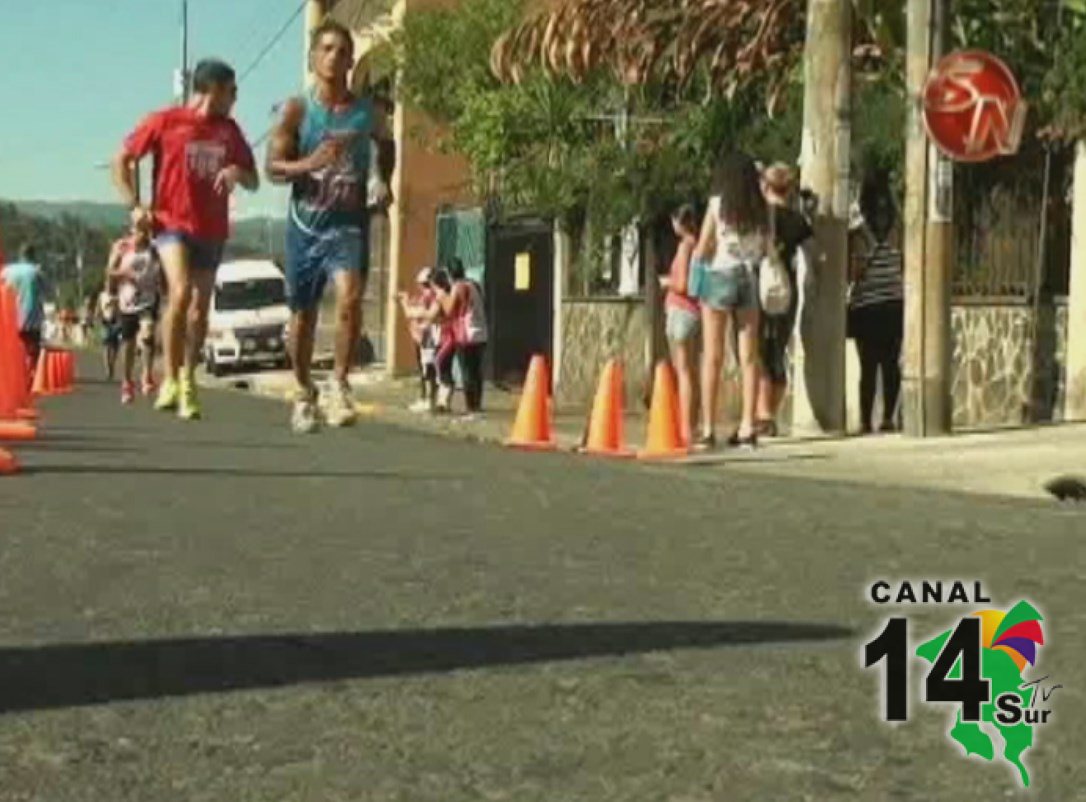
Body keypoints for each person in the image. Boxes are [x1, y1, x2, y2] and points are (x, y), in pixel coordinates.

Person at [113, 58, 259, 421]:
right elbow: (122, 159)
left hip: (211, 229)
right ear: (212, 90)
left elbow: (254, 179)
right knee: (179, 293)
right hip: (171, 223)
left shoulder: (230, 130)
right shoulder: (165, 121)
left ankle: (188, 378)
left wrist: (236, 171)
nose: (236, 97)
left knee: (200, 308)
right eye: (232, 90)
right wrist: (134, 206)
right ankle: (169, 378)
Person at [266, 19, 393, 434]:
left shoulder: (365, 111)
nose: (334, 57)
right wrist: (309, 163)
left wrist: (381, 178)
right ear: (313, 57)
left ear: (351, 60)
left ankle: (339, 384)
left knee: (350, 300)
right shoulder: (297, 110)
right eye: (327, 49)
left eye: (342, 50)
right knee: (301, 320)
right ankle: (304, 392)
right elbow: (273, 167)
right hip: (305, 226)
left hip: (347, 224)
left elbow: (384, 142)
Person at [691, 152, 768, 451]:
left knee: (713, 356)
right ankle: (748, 426)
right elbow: (764, 246)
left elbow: (702, 246)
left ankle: (708, 428)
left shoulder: (717, 204)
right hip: (748, 277)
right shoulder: (760, 207)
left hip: (719, 275)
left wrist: (697, 270)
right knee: (749, 357)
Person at [755, 163, 813, 436]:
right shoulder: (797, 220)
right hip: (786, 290)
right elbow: (815, 251)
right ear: (789, 189)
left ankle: (762, 414)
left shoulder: (757, 218)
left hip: (759, 289)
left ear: (766, 186)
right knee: (777, 351)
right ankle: (770, 414)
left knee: (757, 352)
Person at [848, 174, 904, 434]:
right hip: (894, 303)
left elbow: (854, 272)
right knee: (891, 364)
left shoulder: (859, 233)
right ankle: (889, 418)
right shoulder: (897, 229)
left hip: (866, 307)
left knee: (868, 367)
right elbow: (903, 264)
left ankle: (864, 421)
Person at [107, 222, 164, 403]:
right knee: (128, 342)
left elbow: (162, 269)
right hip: (128, 300)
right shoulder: (122, 248)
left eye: (145, 231)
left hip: (148, 299)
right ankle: (127, 382)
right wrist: (123, 275)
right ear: (131, 231)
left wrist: (162, 286)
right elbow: (109, 272)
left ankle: (147, 375)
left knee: (148, 333)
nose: (141, 234)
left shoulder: (154, 249)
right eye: (137, 230)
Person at [658, 204, 701, 446]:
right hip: (692, 313)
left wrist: (667, 283)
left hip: (681, 311)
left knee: (683, 372)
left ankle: (685, 426)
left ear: (679, 222)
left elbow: (683, 284)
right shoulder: (698, 245)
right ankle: (689, 424)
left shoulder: (685, 247)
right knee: (689, 371)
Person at [435, 258, 488, 420]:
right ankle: (477, 405)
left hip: (466, 334)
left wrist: (442, 296)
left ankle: (471, 407)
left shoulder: (458, 287)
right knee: (477, 371)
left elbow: (450, 310)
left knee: (467, 371)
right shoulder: (475, 285)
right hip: (481, 332)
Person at [398, 267, 441, 413]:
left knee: (429, 371)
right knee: (426, 371)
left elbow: (415, 314)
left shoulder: (435, 298)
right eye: (422, 286)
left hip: (431, 339)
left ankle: (430, 400)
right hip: (424, 339)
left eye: (426, 285)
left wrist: (405, 302)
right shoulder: (426, 298)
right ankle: (426, 398)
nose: (424, 289)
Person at [0, 244, 45, 378]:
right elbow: (44, 292)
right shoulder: (36, 271)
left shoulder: (6, 271)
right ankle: (30, 373)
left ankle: (13, 373)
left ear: (20, 255)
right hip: (31, 315)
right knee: (32, 347)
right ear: (33, 255)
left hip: (10, 315)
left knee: (11, 347)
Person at [98, 286, 121, 381]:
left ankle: (112, 364)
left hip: (116, 322)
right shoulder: (102, 295)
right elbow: (98, 307)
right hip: (105, 321)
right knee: (106, 345)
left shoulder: (119, 294)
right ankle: (108, 368)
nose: (109, 284)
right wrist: (98, 316)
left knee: (115, 346)